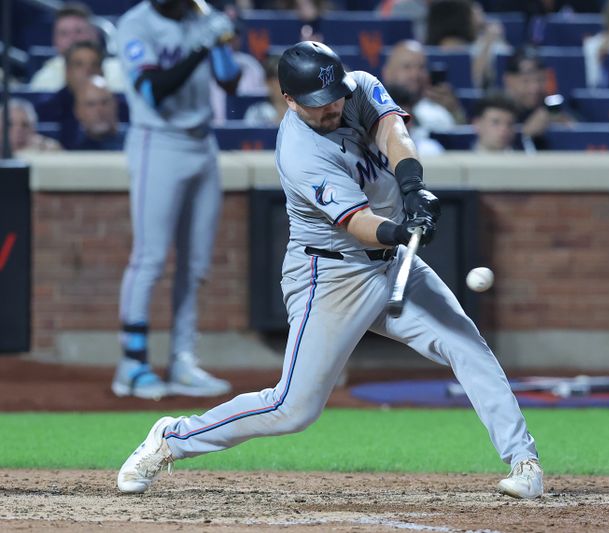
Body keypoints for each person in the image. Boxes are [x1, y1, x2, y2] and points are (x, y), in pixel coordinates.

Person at [117, 40, 543, 501]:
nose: (331, 108)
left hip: (390, 265)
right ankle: (171, 438)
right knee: (293, 408)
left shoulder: (358, 87)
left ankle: (524, 461)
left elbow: (392, 133)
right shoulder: (300, 151)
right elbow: (359, 224)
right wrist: (402, 231)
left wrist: (414, 187)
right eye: (318, 104)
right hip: (330, 275)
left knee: (466, 344)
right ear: (289, 100)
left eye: (335, 97)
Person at [111, 0, 243, 399]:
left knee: (195, 262)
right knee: (150, 257)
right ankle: (131, 364)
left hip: (203, 144)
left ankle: (183, 358)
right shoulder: (136, 24)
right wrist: (201, 46)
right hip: (158, 141)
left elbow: (231, 82)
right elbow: (152, 90)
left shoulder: (197, 19)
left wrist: (219, 40)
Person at [28, 3, 126, 92]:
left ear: (94, 35)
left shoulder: (119, 72)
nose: (72, 39)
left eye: (78, 31)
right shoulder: (44, 78)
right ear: (55, 41)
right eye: (64, 34)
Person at [382, 40, 466, 132]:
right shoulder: (371, 114)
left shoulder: (439, 117)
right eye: (407, 67)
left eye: (421, 67)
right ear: (387, 73)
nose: (415, 75)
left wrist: (455, 111)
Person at [502, 44, 573, 152]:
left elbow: (577, 131)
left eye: (540, 80)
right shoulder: (498, 108)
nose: (535, 88)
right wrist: (524, 134)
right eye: (526, 81)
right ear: (509, 80)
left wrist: (562, 124)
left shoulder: (552, 101)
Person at [35, 40, 104, 150]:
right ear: (67, 71)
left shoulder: (119, 109)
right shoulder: (45, 110)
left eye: (94, 64)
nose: (88, 71)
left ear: (102, 71)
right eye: (79, 64)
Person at [384, 83, 445, 155]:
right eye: (395, 118)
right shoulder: (371, 151)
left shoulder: (430, 150)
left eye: (405, 118)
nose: (400, 125)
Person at [71, 76, 125, 151]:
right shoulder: (69, 152)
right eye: (91, 104)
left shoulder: (137, 142)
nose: (99, 110)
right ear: (78, 111)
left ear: (115, 105)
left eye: (104, 102)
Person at [243, 56, 288, 126]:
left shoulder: (304, 112)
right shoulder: (257, 112)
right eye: (280, 77)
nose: (286, 82)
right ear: (268, 83)